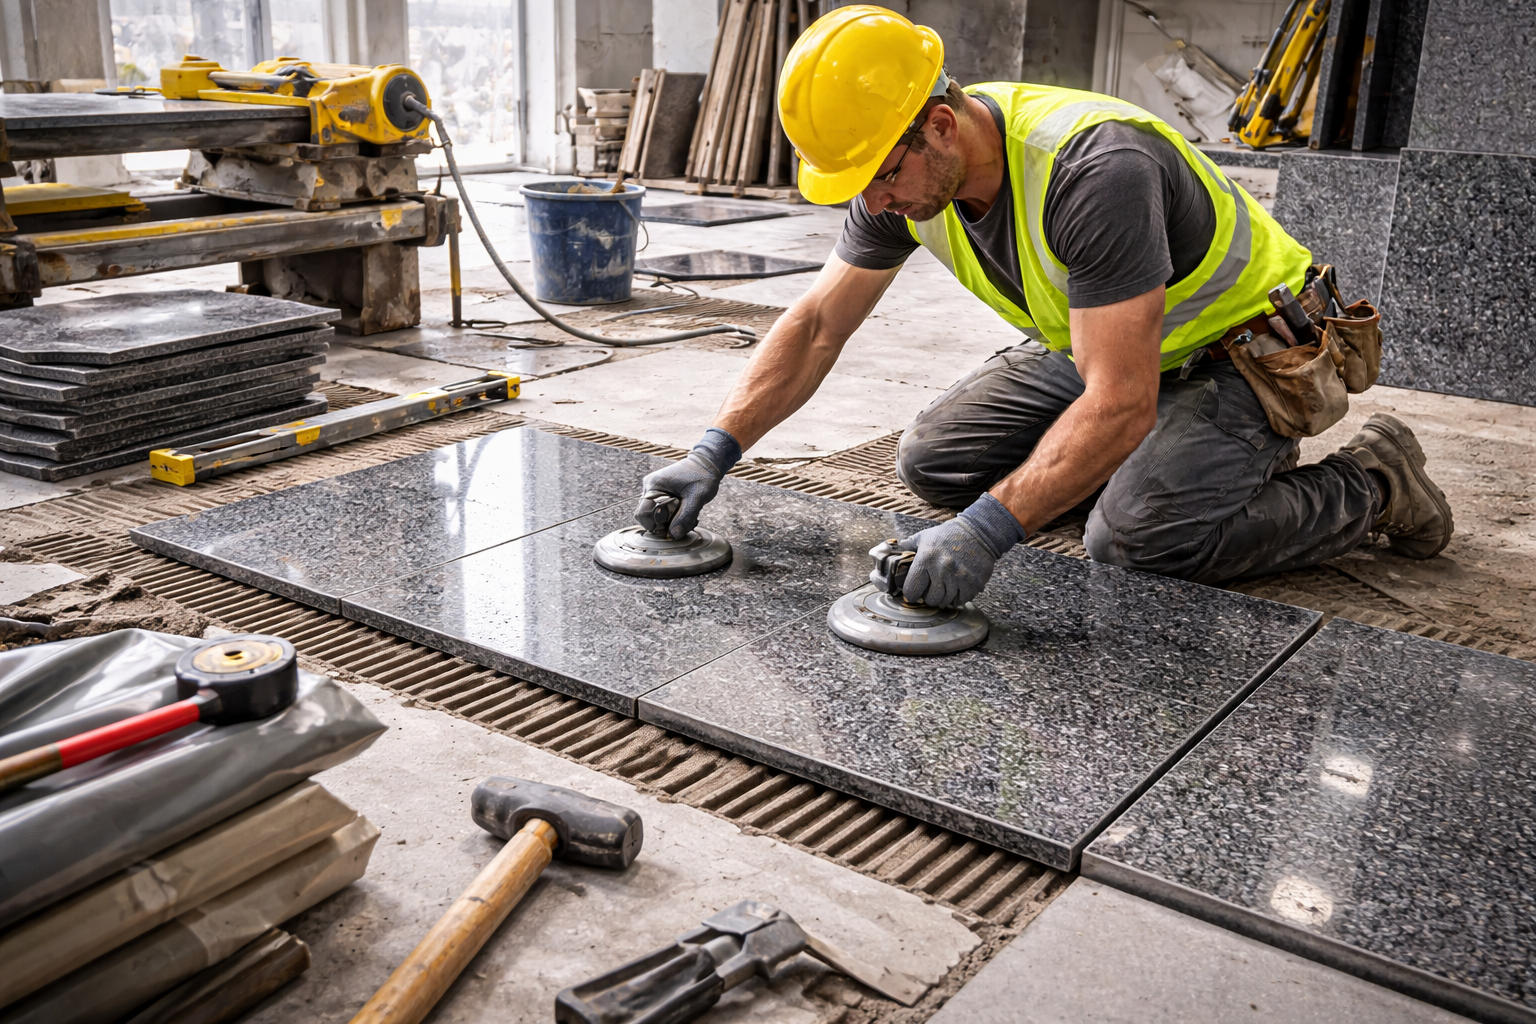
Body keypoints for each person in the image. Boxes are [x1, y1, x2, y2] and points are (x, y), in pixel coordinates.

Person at [634, 5, 1452, 608]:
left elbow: (1122, 402)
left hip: (1240, 354)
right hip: (1106, 347)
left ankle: (1372, 482)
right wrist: (714, 449)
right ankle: (1157, 471)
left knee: (1131, 542)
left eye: (883, 176)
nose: (876, 202)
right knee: (932, 463)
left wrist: (992, 532)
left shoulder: (1094, 170)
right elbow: (816, 325)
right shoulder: (897, 181)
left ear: (941, 127)